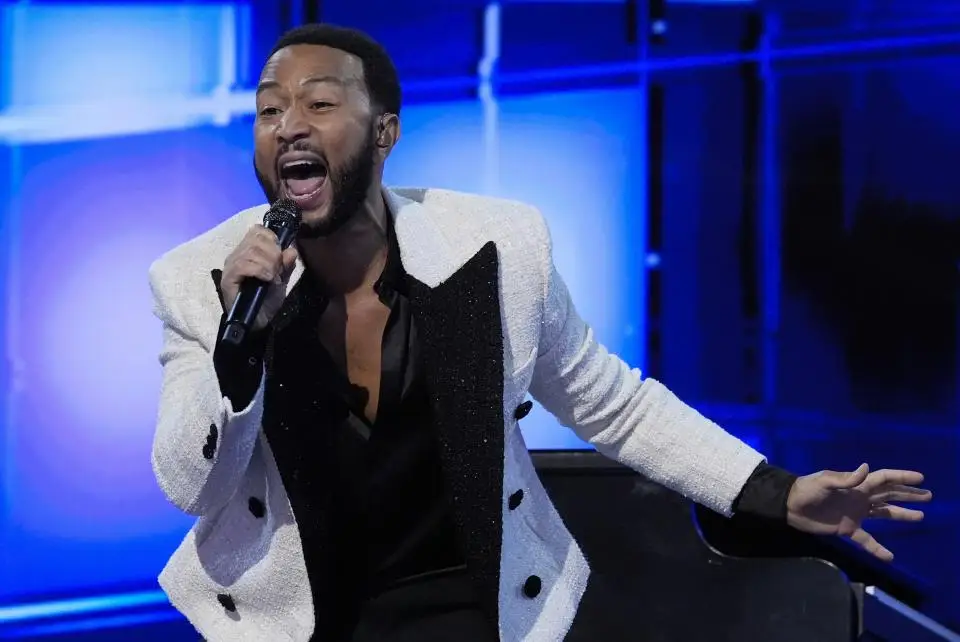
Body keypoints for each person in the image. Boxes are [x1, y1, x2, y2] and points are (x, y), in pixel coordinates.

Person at [148, 23, 932, 642]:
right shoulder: (197, 279)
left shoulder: (495, 249)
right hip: (295, 617)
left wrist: (776, 492)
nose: (288, 126)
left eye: (319, 104)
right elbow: (191, 485)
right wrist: (238, 346)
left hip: (461, 603)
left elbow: (612, 403)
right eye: (268, 109)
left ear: (384, 131)